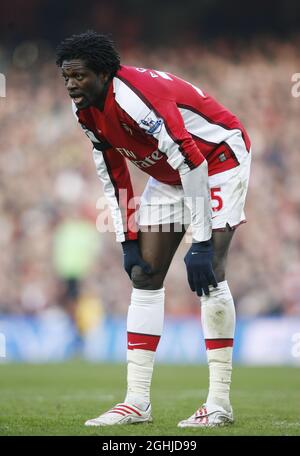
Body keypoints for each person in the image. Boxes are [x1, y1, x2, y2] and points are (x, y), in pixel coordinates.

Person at [56, 30, 251, 428]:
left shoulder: (135, 98)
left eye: (79, 77)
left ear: (104, 73)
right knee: (144, 273)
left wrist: (200, 239)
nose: (72, 86)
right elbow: (111, 169)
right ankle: (136, 402)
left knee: (209, 270)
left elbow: (193, 160)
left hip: (216, 160)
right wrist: (127, 237)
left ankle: (219, 403)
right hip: (168, 172)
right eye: (67, 78)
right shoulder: (86, 108)